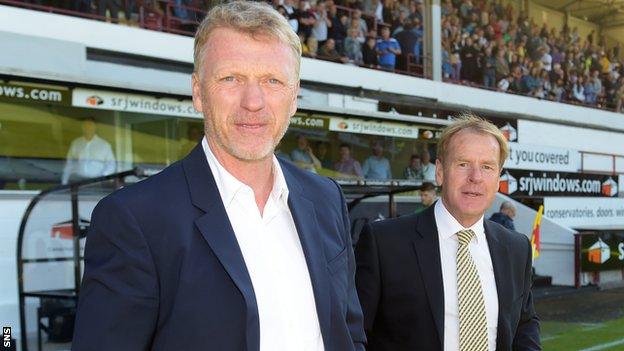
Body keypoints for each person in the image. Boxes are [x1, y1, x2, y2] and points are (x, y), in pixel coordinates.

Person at [72, 2, 366, 351]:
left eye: (272, 80)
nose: (253, 101)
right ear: (198, 92)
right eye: (231, 78)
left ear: (294, 96)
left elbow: (349, 335)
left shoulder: (326, 199)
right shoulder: (135, 219)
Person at [355, 114, 540, 351]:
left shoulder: (516, 248)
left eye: (487, 167)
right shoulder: (384, 243)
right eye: (463, 164)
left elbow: (524, 325)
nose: (475, 177)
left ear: (497, 179)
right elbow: (354, 333)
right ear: (440, 172)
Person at [61, 117, 116, 185]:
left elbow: (111, 164)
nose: (88, 128)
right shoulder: (76, 143)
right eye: (85, 125)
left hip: (97, 182)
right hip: (77, 181)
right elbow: (69, 163)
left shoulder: (104, 145)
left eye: (90, 125)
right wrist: (64, 181)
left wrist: (102, 177)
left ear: (95, 127)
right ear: (82, 127)